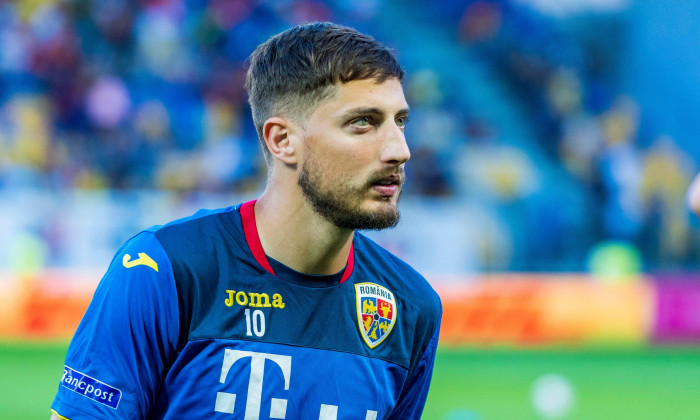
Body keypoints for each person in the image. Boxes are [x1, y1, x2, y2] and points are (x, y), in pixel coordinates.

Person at [50, 22, 442, 420]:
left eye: (400, 121)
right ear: (282, 140)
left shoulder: (411, 306)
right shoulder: (164, 269)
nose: (399, 149)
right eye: (364, 122)